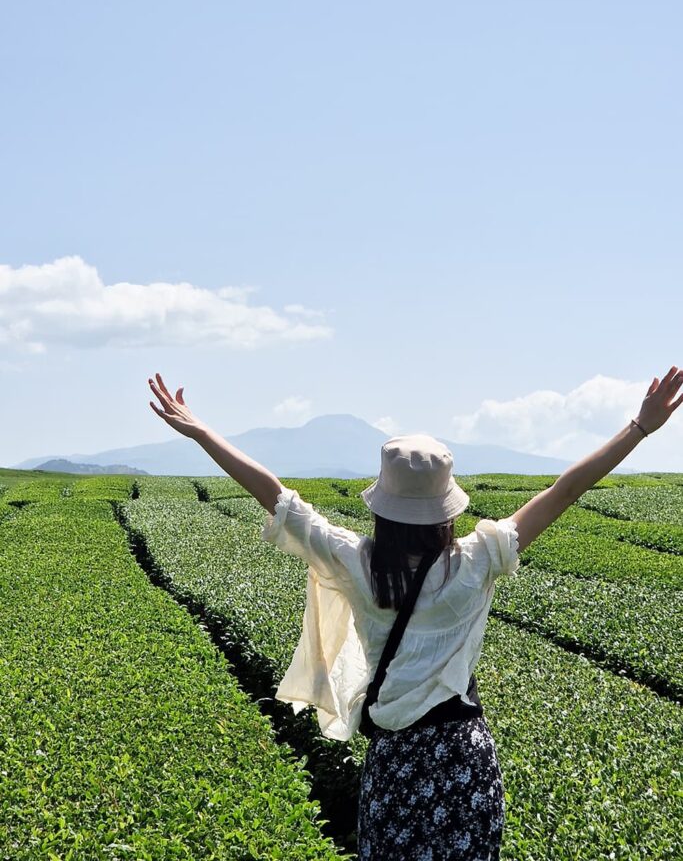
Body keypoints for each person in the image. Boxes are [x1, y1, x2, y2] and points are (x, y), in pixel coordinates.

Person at [147, 365, 683, 861]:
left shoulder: (356, 562)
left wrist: (199, 431)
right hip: (464, 761)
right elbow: (565, 490)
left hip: (395, 764)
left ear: (383, 505)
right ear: (446, 506)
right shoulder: (475, 562)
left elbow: (276, 496)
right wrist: (639, 426)